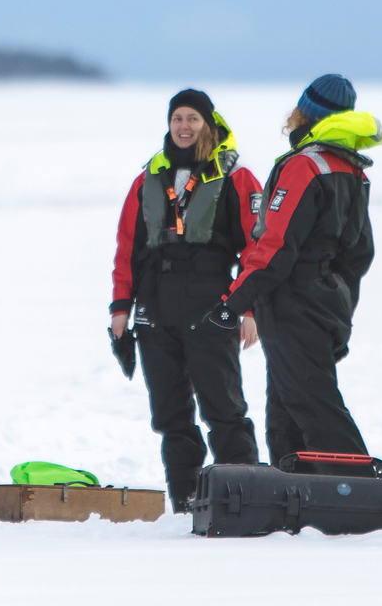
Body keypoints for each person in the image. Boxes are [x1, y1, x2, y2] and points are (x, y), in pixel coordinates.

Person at [204, 73, 381, 469]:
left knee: (312, 402)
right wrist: (338, 297)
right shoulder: (352, 169)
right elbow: (360, 252)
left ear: (306, 114)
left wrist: (235, 302)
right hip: (325, 300)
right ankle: (295, 494)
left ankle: (356, 491)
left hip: (292, 301)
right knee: (285, 409)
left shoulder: (305, 165)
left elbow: (274, 246)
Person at [108, 89, 263, 511]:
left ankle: (246, 500)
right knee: (171, 415)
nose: (183, 126)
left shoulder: (236, 176)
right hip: (156, 307)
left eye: (193, 118)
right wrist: (121, 309)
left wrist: (249, 309)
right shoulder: (148, 178)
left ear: (209, 125)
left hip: (212, 303)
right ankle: (185, 501)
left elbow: (257, 247)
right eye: (177, 118)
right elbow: (128, 247)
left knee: (224, 409)